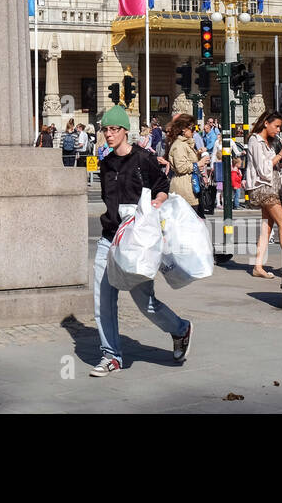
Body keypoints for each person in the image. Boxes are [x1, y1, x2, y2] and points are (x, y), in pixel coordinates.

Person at [90, 104, 192, 377]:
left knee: (144, 302)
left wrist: (157, 203)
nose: (109, 135)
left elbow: (161, 187)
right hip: (109, 238)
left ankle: (180, 328)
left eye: (113, 129)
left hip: (135, 243)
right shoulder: (106, 163)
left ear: (125, 131)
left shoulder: (143, 159)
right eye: (105, 130)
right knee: (102, 301)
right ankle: (111, 355)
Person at [245, 111, 282, 279]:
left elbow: (271, 166)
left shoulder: (268, 142)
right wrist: (281, 153)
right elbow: (263, 170)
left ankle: (258, 265)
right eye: (276, 126)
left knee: (267, 227)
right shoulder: (255, 140)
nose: (278, 130)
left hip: (272, 186)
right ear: (266, 123)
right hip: (264, 188)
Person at [165, 113, 209, 219]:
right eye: (192, 128)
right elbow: (181, 167)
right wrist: (199, 164)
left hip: (190, 185)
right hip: (183, 188)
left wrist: (198, 154)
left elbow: (187, 160)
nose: (195, 131)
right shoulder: (179, 145)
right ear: (184, 129)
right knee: (187, 223)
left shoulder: (185, 144)